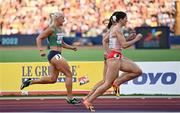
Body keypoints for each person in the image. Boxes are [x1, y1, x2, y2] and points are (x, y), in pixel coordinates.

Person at [83, 11, 143, 111]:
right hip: (114, 58)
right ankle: (88, 100)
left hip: (117, 57)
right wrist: (137, 39)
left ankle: (117, 82)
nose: (127, 20)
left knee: (137, 71)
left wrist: (129, 38)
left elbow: (117, 42)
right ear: (120, 19)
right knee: (107, 84)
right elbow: (124, 45)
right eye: (125, 18)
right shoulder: (116, 29)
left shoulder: (116, 29)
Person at [20, 12, 81, 105]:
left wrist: (71, 48)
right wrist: (41, 50)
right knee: (69, 74)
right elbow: (39, 38)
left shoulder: (60, 29)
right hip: (54, 54)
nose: (64, 20)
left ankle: (30, 81)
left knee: (52, 79)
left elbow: (61, 43)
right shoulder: (51, 29)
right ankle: (70, 98)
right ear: (57, 19)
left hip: (55, 55)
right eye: (63, 18)